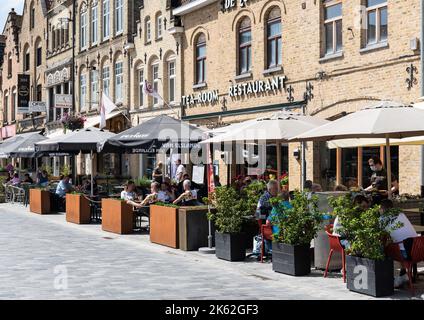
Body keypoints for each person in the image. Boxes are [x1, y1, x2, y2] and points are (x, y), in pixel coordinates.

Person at [380, 199, 418, 287]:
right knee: (400, 245)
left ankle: (388, 278)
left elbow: (382, 238)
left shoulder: (382, 219)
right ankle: (403, 273)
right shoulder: (401, 214)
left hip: (406, 254)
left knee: (386, 250)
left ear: (381, 209)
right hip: (419, 251)